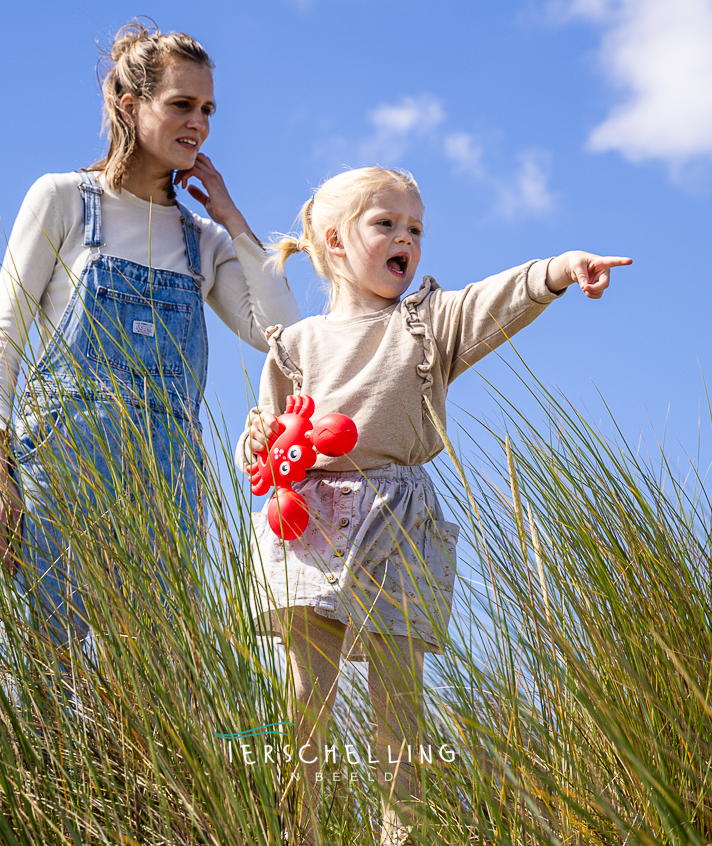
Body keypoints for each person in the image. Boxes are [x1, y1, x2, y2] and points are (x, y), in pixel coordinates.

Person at [236, 167, 631, 845]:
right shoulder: (295, 344)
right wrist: (258, 441)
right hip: (310, 520)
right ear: (334, 241)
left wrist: (561, 269)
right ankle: (294, 829)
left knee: (399, 701)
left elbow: (492, 300)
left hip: (399, 521)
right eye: (385, 224)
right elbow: (266, 443)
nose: (405, 238)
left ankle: (402, 833)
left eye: (415, 228)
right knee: (307, 698)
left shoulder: (426, 323)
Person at [0, 20, 300, 663]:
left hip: (167, 493)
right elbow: (2, 340)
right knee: (42, 678)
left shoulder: (201, 239)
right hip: (56, 477)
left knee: (155, 694)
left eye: (207, 110)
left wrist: (232, 218)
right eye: (181, 105)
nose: (198, 123)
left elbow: (277, 335)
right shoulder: (63, 200)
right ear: (131, 105)